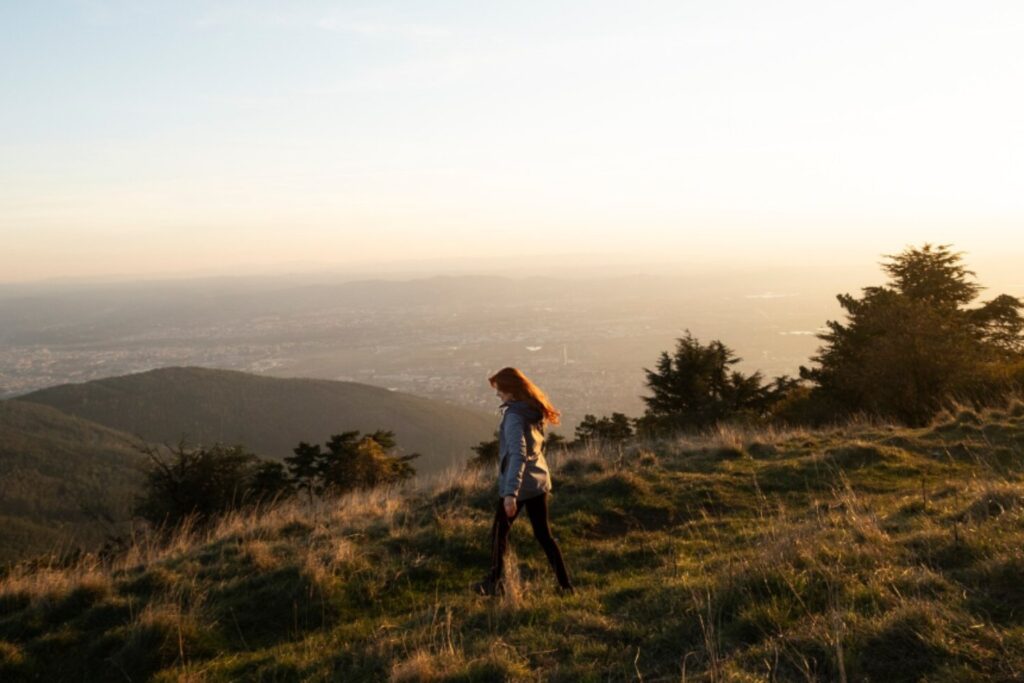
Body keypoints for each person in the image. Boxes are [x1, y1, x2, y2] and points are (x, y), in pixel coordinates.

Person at [474, 367, 574, 596]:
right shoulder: (533, 408)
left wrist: (511, 494)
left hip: (520, 485)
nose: (498, 395)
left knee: (499, 532)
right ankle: (566, 586)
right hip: (538, 481)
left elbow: (517, 455)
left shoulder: (514, 416)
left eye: (499, 390)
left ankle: (494, 583)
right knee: (544, 535)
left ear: (510, 390)